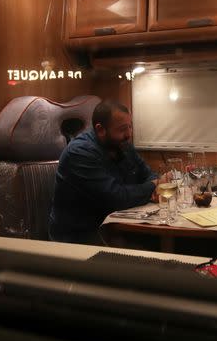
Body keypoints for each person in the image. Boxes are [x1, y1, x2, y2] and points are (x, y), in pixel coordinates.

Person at [49, 99, 168, 244]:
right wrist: (154, 185)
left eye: (130, 127)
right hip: (79, 236)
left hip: (118, 226)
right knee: (153, 251)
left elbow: (148, 174)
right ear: (100, 129)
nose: (129, 134)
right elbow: (116, 198)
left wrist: (155, 185)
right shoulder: (80, 152)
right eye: (122, 129)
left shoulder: (122, 144)